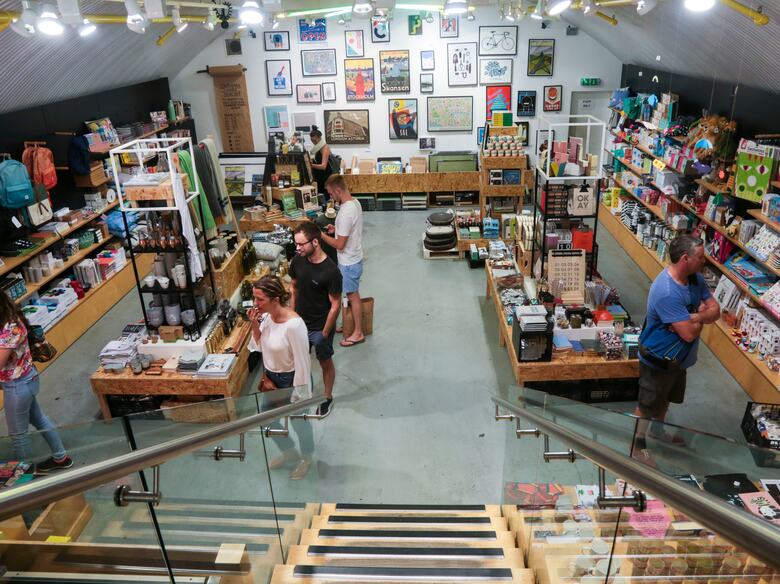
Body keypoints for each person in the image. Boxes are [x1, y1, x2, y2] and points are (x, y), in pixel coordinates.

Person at [635, 234, 720, 448]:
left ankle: (657, 431)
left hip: (678, 359)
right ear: (685, 258)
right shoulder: (666, 292)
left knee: (665, 398)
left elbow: (716, 311)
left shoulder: (696, 279)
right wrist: (700, 317)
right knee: (647, 404)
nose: (704, 261)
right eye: (700, 257)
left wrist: (697, 317)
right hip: (657, 358)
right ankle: (637, 446)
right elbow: (689, 334)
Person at [247, 276, 314, 480]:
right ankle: (289, 451)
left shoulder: (294, 325)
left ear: (275, 299)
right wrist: (254, 324)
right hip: (272, 379)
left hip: (292, 379)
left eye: (259, 299)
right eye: (254, 298)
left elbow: (304, 361)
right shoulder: (267, 318)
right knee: (266, 420)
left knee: (299, 423)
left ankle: (307, 457)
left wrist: (301, 393)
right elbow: (257, 346)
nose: (255, 304)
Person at [0, 293, 72, 475]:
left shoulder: (9, 328)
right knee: (39, 419)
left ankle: (23, 475)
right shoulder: (12, 318)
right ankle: (61, 457)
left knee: (18, 435)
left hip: (18, 386)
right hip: (27, 379)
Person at [291, 222, 342, 418]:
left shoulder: (331, 271)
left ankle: (327, 397)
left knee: (324, 362)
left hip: (320, 327)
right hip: (299, 324)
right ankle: (302, 395)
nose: (297, 248)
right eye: (296, 244)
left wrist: (325, 333)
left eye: (301, 244)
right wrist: (292, 315)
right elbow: (293, 287)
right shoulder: (297, 260)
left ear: (315, 242)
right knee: (299, 363)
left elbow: (335, 304)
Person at [320, 175, 365, 348]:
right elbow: (349, 229)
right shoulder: (355, 203)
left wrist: (321, 235)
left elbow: (339, 244)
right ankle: (348, 323)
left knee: (352, 295)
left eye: (331, 193)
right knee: (349, 293)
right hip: (352, 256)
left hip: (349, 261)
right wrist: (335, 229)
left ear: (338, 190)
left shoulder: (346, 211)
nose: (331, 197)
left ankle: (358, 332)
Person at [309, 126, 335, 198]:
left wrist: (311, 165)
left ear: (319, 138)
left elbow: (323, 166)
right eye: (312, 141)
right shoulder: (317, 148)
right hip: (319, 175)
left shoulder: (325, 148)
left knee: (325, 195)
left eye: (315, 141)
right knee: (320, 194)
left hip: (325, 176)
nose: (314, 143)